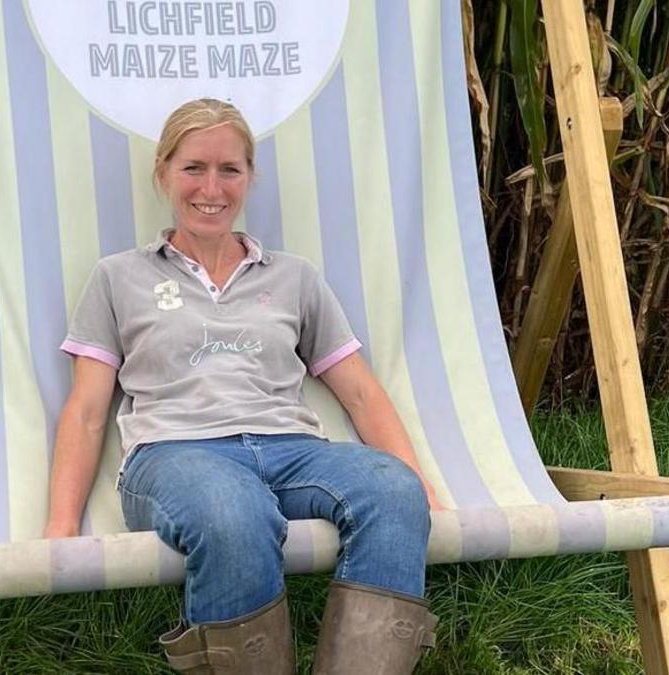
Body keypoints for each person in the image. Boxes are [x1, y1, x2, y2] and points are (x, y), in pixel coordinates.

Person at [43, 98, 437, 674]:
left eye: (230, 169)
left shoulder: (294, 276)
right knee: (233, 514)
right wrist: (59, 526)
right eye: (193, 168)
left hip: (292, 449)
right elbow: (86, 410)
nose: (212, 186)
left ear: (250, 177)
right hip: (175, 455)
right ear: (164, 174)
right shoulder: (118, 277)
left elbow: (358, 391)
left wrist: (416, 481)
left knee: (393, 492)